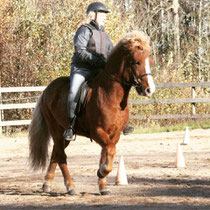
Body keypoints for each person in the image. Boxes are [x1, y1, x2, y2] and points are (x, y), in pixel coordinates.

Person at [64, 2, 133, 141]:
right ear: (93, 15)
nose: (104, 17)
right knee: (73, 92)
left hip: (98, 70)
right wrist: (97, 60)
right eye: (101, 14)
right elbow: (80, 50)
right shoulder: (84, 30)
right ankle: (70, 126)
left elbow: (111, 53)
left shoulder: (104, 34)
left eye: (104, 14)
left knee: (116, 88)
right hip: (82, 69)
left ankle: (122, 123)